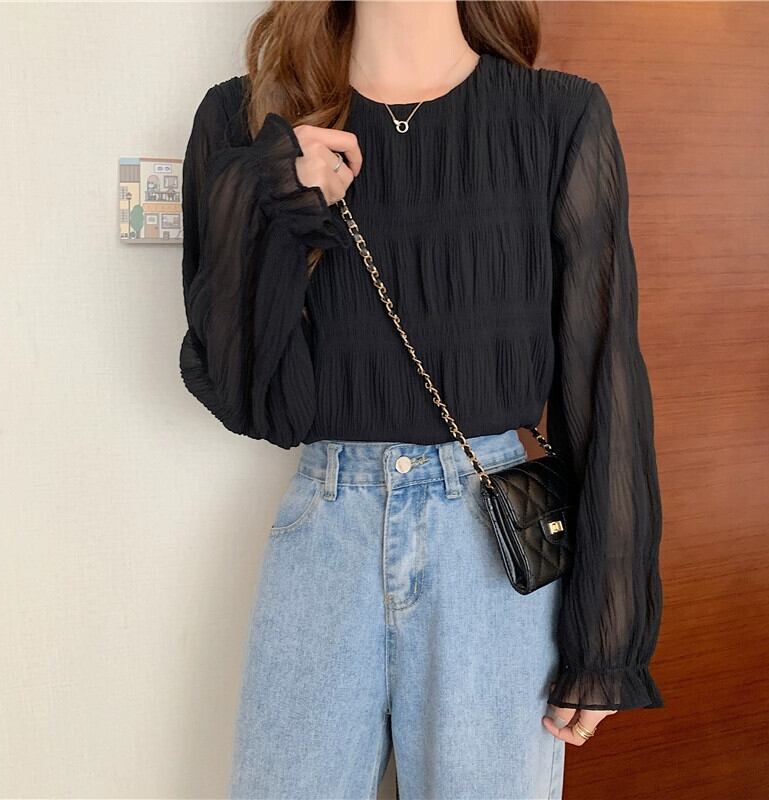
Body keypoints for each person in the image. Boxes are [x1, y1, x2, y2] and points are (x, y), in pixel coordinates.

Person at [178, 2, 665, 798]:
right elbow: (245, 395)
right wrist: (279, 192)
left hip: (493, 545)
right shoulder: (250, 119)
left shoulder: (557, 117)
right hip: (325, 529)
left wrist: (608, 637)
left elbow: (603, 380)